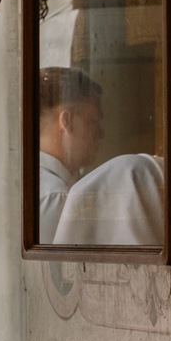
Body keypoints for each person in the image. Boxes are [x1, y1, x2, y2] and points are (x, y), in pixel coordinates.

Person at [34, 65, 103, 243]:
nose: (101, 134)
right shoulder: (56, 197)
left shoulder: (33, 182)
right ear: (67, 120)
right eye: (94, 121)